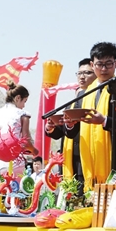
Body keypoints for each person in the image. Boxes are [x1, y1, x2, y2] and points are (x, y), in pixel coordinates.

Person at [58, 42, 116, 190]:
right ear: (92, 64)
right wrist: (69, 125)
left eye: (108, 64)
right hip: (87, 165)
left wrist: (104, 121)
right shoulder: (83, 95)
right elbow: (72, 134)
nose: (103, 69)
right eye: (99, 64)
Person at [45, 58, 97, 188]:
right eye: (79, 73)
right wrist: (51, 128)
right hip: (70, 159)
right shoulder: (71, 103)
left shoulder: (99, 99)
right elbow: (62, 133)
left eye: (87, 73)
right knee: (70, 194)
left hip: (91, 157)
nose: (82, 77)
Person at [0, 83, 39, 179]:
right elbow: (26, 142)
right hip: (14, 162)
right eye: (24, 101)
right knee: (15, 192)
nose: (24, 105)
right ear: (17, 98)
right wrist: (34, 150)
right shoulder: (23, 114)